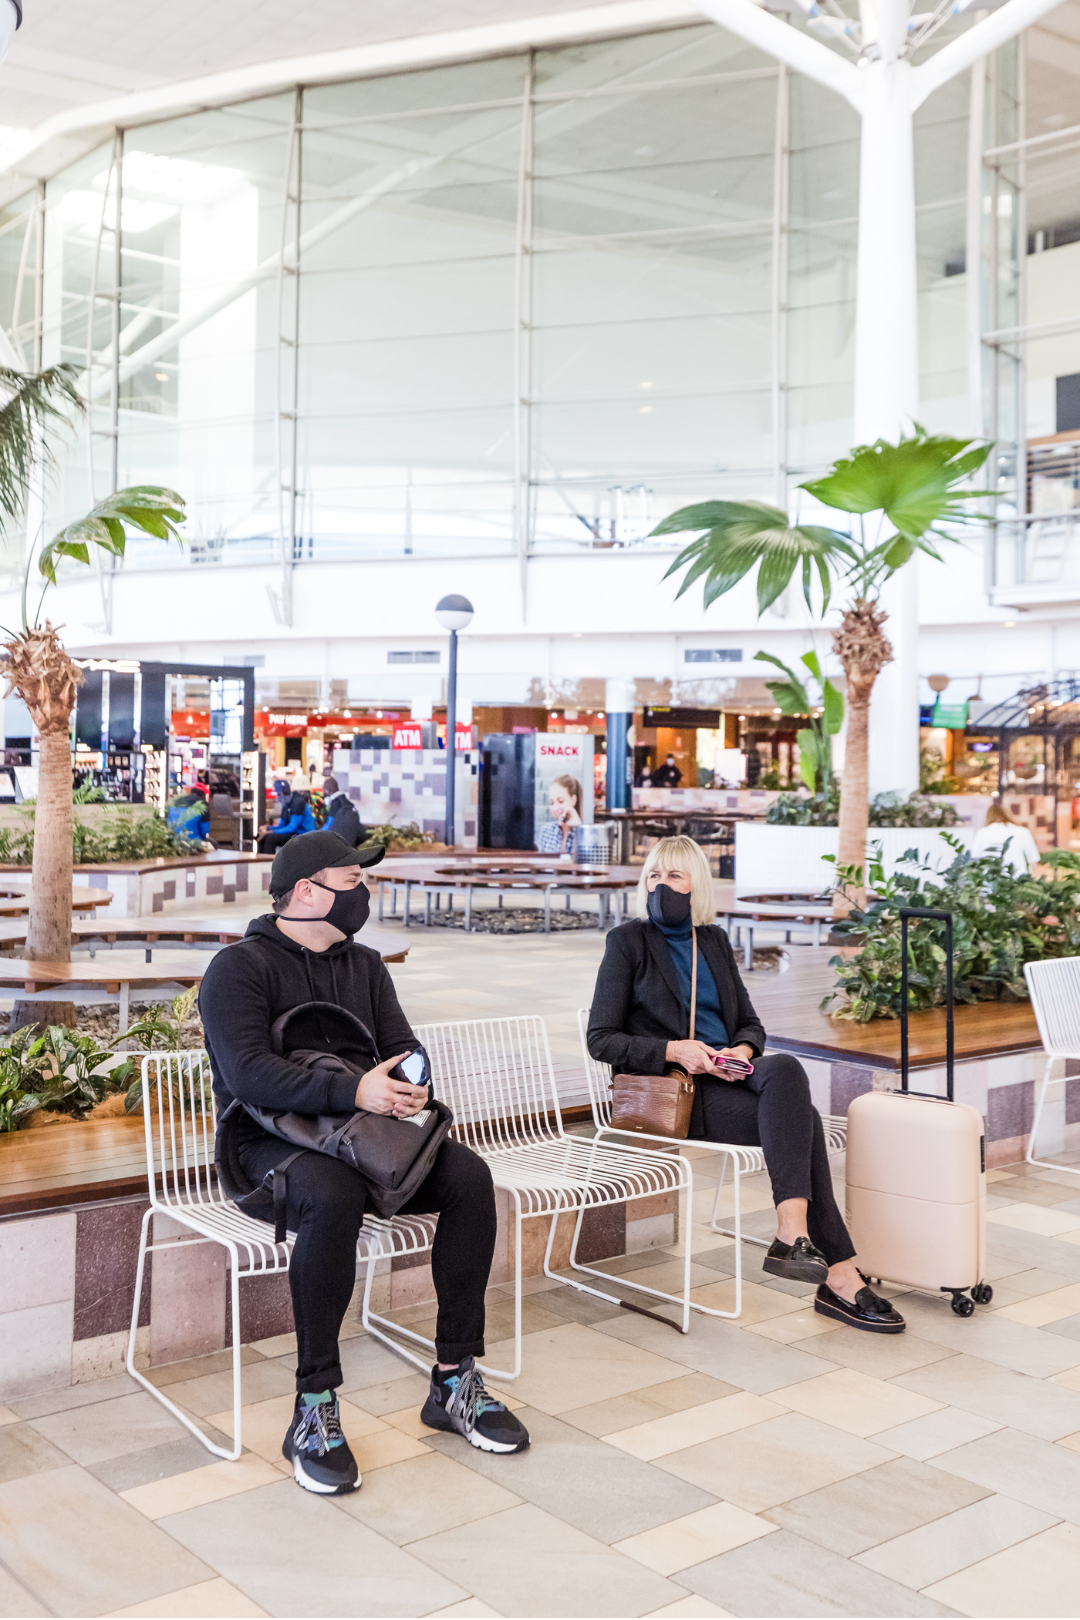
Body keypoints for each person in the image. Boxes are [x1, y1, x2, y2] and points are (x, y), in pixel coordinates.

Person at [199, 829, 529, 1497]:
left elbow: (401, 1043)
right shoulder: (239, 969)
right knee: (333, 1193)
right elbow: (251, 1076)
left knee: (469, 1178)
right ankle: (314, 1403)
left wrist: (411, 1081)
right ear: (305, 892)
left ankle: (454, 1378)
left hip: (364, 1137)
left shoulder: (366, 966)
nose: (366, 894)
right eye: (353, 883)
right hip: (266, 1146)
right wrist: (354, 1089)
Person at [587, 834, 906, 1335]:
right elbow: (601, 1040)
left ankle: (805, 1245)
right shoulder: (628, 942)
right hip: (680, 1094)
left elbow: (751, 1024)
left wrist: (741, 1051)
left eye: (674, 876)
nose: (660, 885)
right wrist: (675, 1049)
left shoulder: (711, 941)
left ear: (696, 886)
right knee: (806, 1117)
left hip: (731, 1080)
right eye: (653, 875)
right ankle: (832, 1268)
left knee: (783, 1072)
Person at [974, 801, 1041, 875]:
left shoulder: (982, 833)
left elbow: (975, 860)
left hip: (991, 881)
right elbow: (1033, 860)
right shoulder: (1023, 832)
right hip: (1019, 881)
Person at [537, 774, 586, 857]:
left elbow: (586, 864)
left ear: (573, 800)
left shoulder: (584, 833)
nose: (555, 808)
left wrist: (578, 829)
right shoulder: (546, 831)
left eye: (561, 801)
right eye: (552, 802)